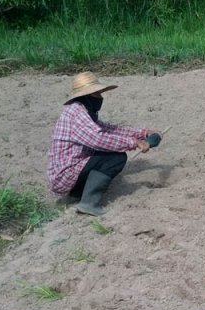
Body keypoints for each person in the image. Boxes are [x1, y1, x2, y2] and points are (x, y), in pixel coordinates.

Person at [47, 71, 162, 216]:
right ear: (87, 96)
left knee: (107, 154)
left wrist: (143, 133)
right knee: (116, 158)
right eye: (97, 94)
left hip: (69, 172)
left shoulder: (82, 111)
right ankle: (88, 203)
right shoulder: (76, 113)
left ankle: (78, 195)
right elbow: (98, 139)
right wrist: (135, 142)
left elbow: (109, 129)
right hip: (65, 175)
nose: (100, 98)